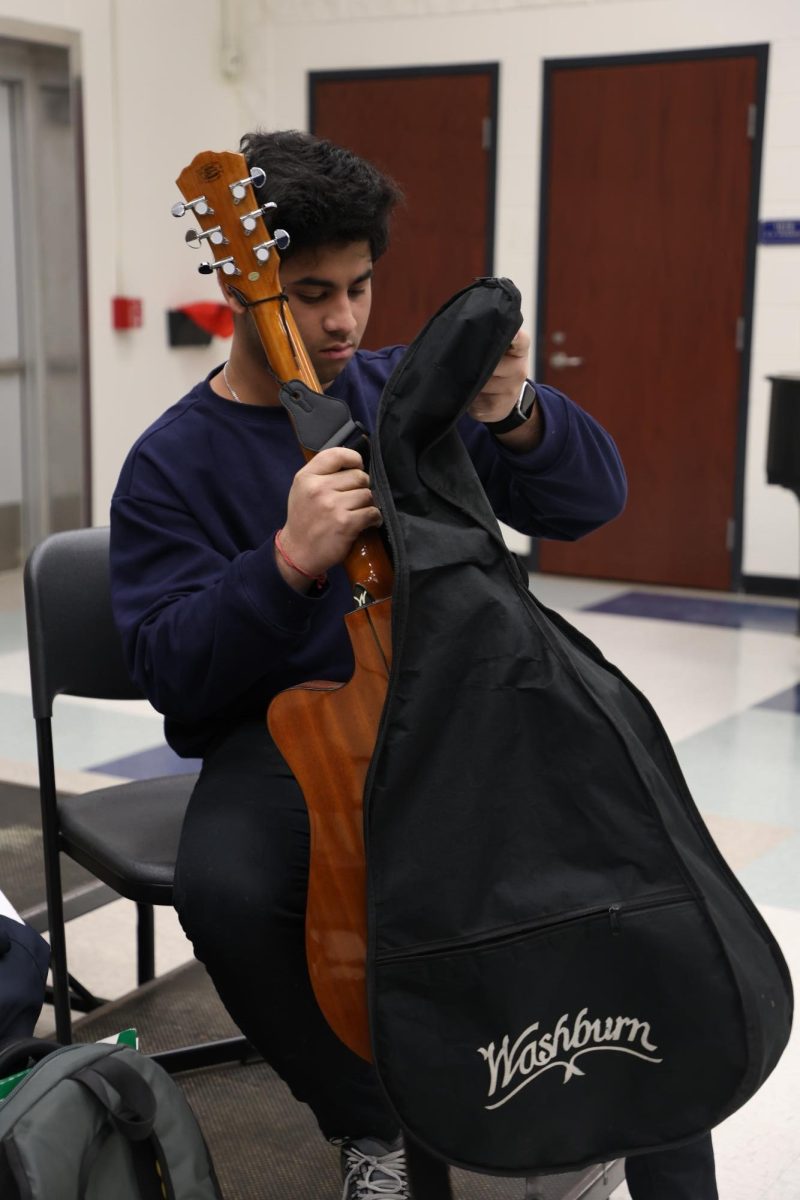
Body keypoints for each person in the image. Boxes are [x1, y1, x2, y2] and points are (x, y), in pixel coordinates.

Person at [109, 130, 713, 1199]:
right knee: (228, 887)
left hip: (462, 704)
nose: (342, 320)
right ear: (241, 289)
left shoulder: (407, 391)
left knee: (632, 850)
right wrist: (285, 564)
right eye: (307, 293)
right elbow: (170, 672)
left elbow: (585, 504)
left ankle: (638, 1106)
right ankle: (369, 1123)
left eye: (359, 286)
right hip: (283, 730)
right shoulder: (171, 458)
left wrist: (514, 414)